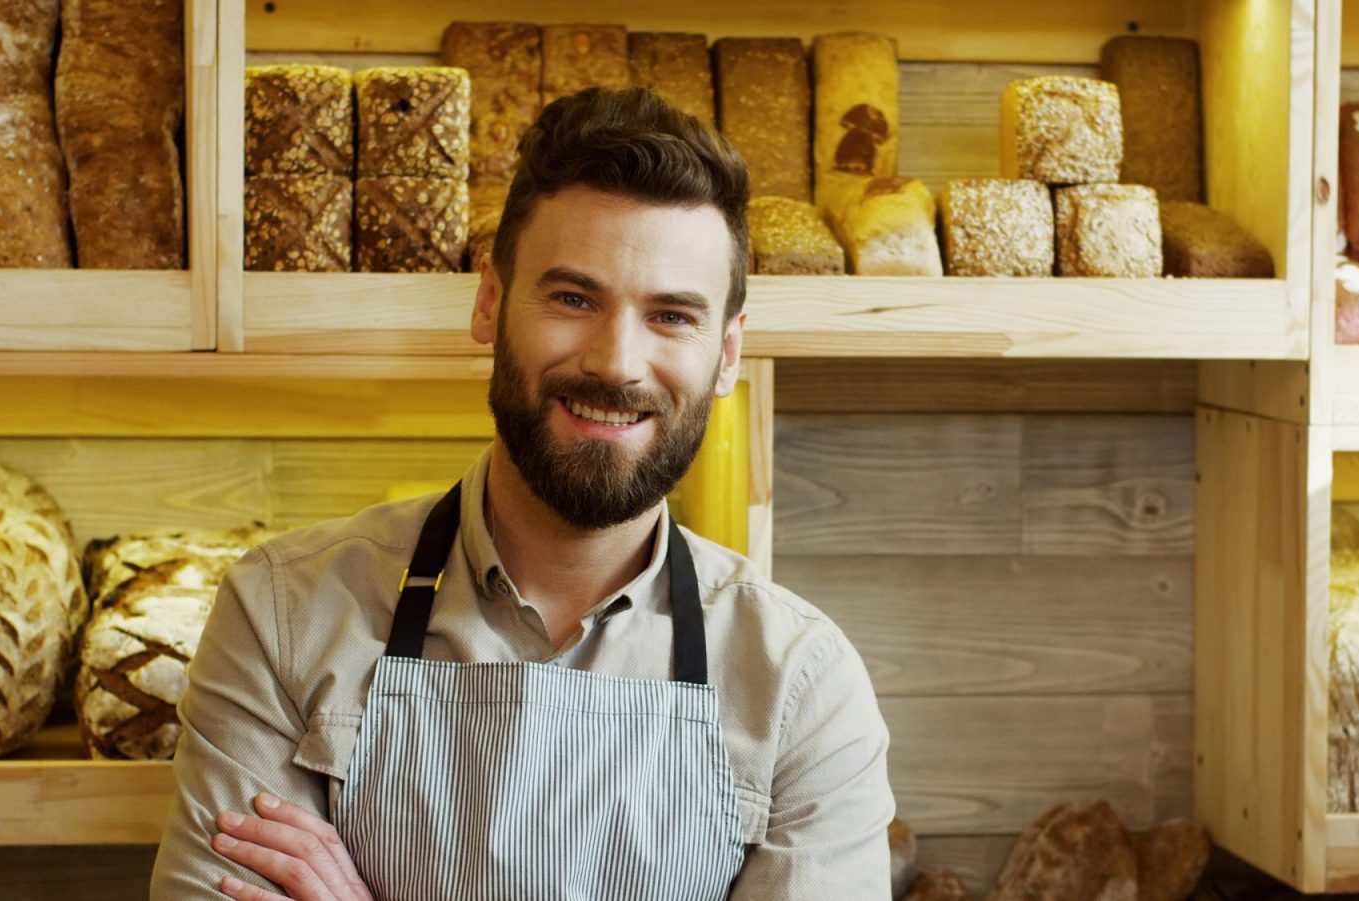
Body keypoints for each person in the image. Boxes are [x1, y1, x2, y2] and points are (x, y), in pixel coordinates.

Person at [150, 85, 895, 900]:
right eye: (574, 298)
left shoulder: (801, 683)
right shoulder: (283, 613)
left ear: (726, 354)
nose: (616, 362)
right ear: (491, 302)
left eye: (672, 315)